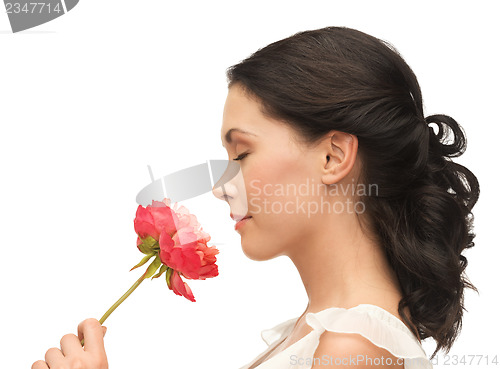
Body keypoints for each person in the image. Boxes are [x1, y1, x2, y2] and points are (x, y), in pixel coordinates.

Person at [32, 26, 479, 369]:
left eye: (242, 153)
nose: (221, 185)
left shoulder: (352, 346)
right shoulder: (325, 330)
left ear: (333, 155)